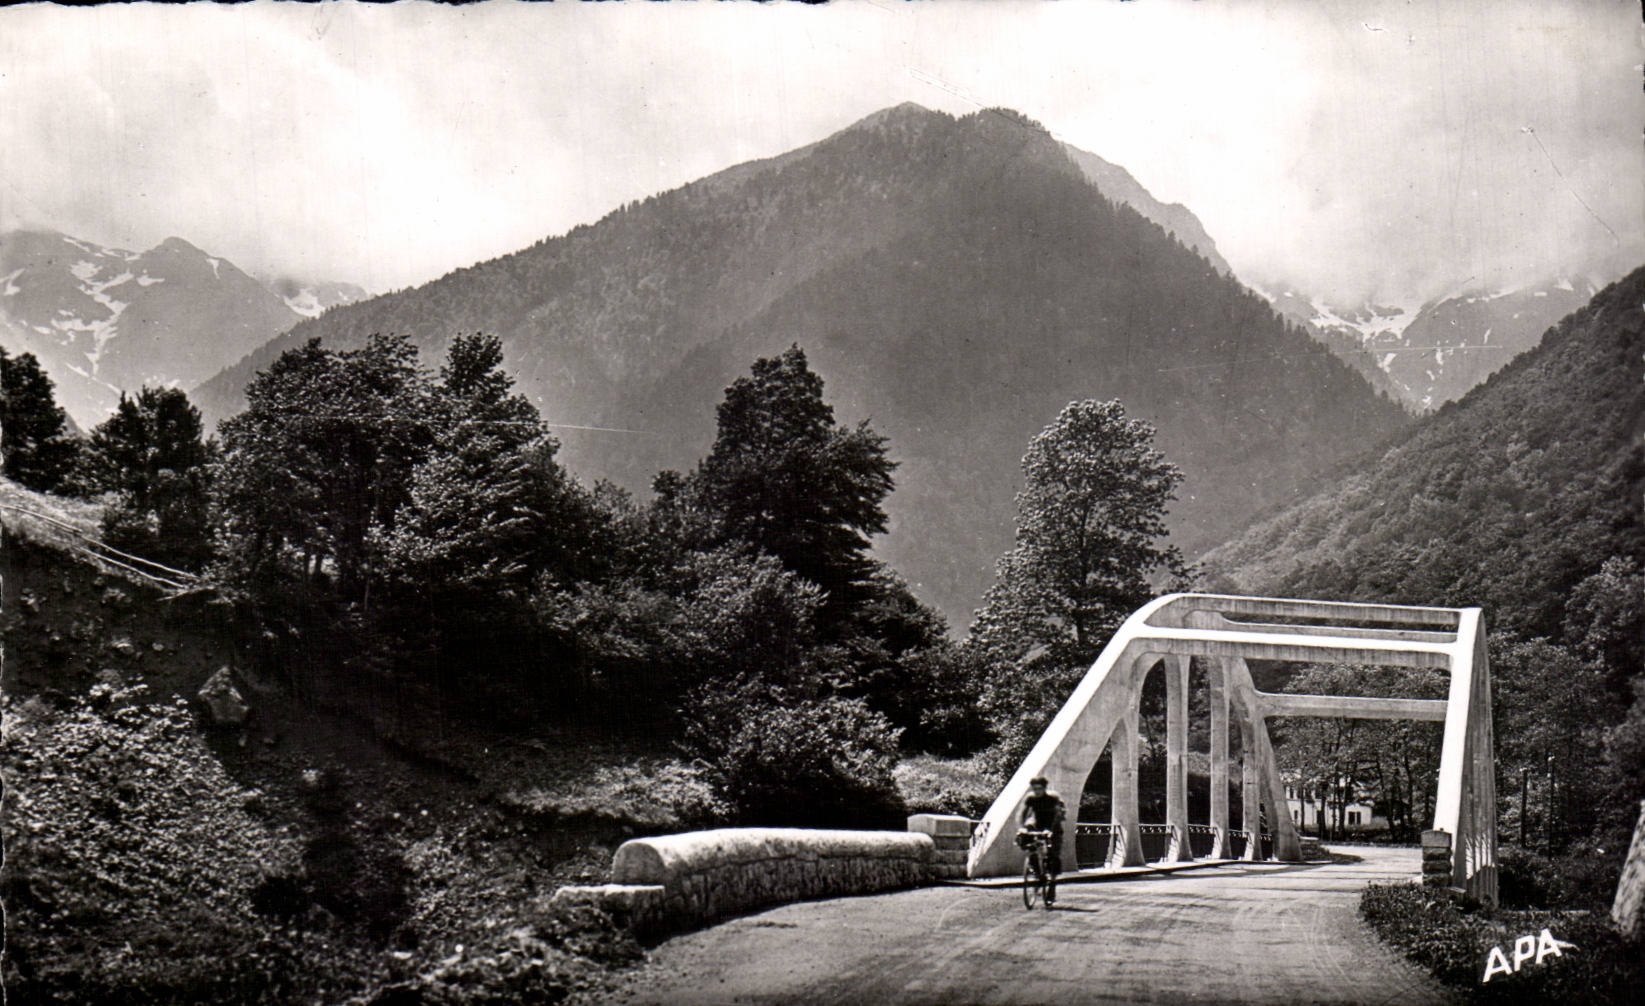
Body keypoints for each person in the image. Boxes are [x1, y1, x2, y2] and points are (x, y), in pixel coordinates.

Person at [1020, 775, 1066, 903]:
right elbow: (1024, 814)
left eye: (1039, 788)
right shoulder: (1031, 798)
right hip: (1039, 824)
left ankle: (1052, 886)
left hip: (1053, 827)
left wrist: (1050, 829)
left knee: (1053, 855)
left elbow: (1059, 814)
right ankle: (1037, 872)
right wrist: (1023, 827)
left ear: (1044, 788)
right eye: (1034, 789)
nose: (1037, 791)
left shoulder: (1053, 798)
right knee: (1028, 843)